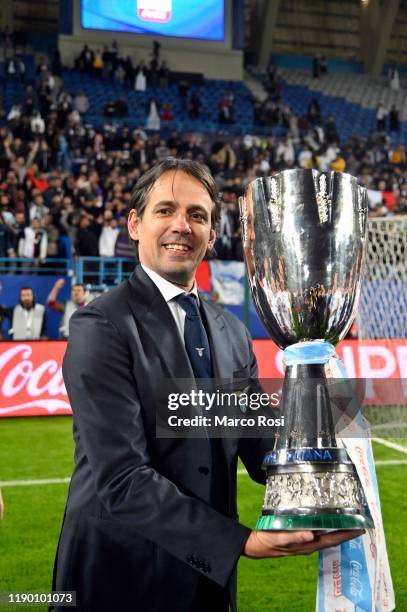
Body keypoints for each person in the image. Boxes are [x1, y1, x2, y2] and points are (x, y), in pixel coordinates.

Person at [52, 158, 361, 611]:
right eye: (165, 211)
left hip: (207, 589)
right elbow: (122, 478)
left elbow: (259, 443)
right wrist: (241, 542)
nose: (182, 225)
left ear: (212, 236)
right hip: (118, 579)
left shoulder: (231, 330)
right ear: (135, 224)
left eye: (197, 215)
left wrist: (321, 466)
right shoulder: (100, 326)